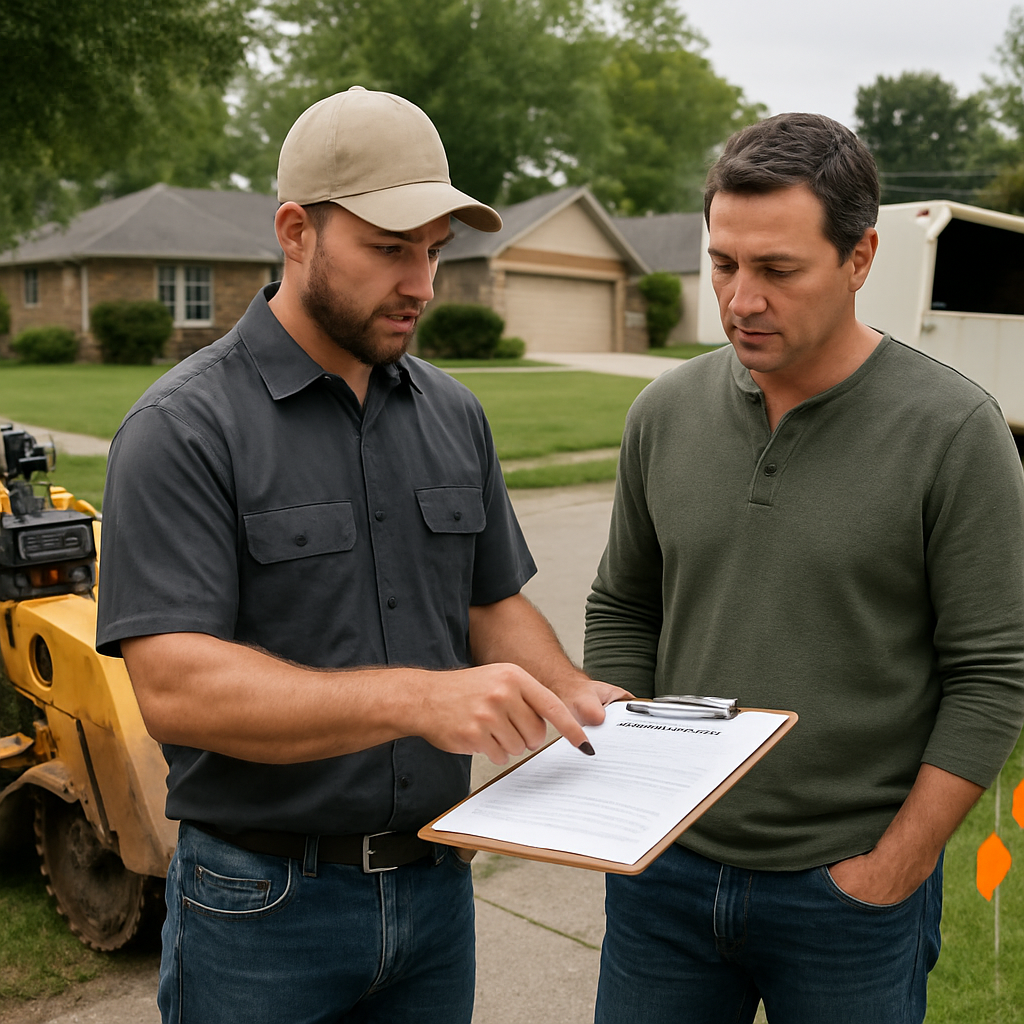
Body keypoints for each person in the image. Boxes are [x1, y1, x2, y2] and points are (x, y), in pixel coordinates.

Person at [96, 86, 625, 1024]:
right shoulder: (184, 427)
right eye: (389, 248)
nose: (421, 282)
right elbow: (175, 687)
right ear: (296, 231)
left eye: (433, 250)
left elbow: (490, 605)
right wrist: (423, 697)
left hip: (434, 892)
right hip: (261, 904)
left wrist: (571, 696)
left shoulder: (453, 414)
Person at [583, 112, 1024, 1024]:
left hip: (845, 897)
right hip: (662, 883)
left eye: (778, 270)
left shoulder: (954, 432)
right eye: (723, 263)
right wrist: (623, 790)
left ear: (861, 258)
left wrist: (893, 869)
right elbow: (624, 604)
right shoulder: (663, 413)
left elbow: (991, 674)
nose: (741, 299)